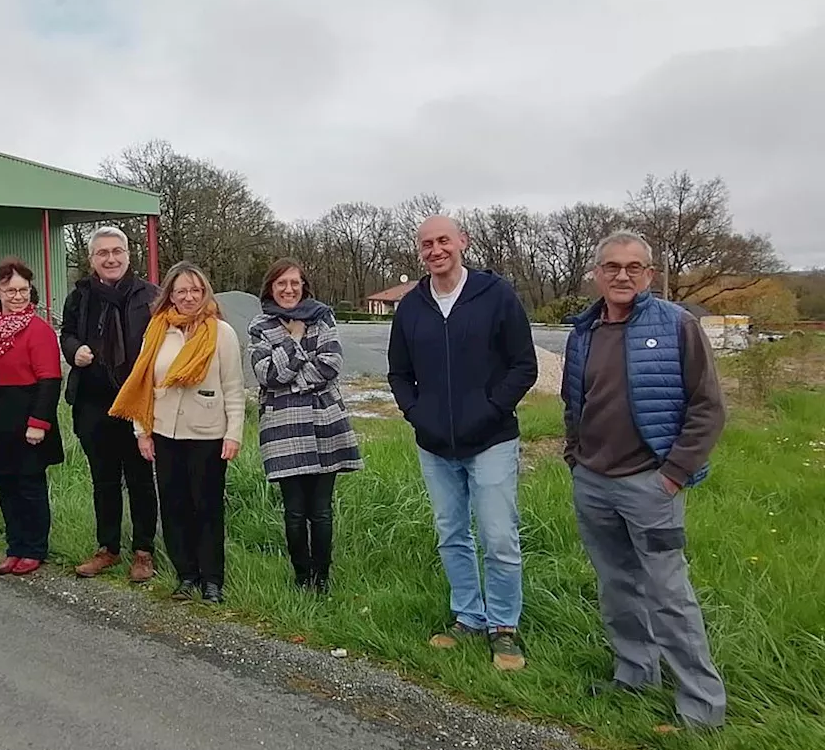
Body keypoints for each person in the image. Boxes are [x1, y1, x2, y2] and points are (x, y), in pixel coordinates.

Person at [562, 230, 727, 729]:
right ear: (596, 274)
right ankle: (634, 674)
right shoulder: (584, 332)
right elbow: (576, 402)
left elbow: (708, 408)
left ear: (650, 275)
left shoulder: (677, 326)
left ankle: (702, 707)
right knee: (617, 587)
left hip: (650, 485)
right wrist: (575, 455)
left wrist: (674, 474)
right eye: (612, 267)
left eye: (634, 268)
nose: (622, 276)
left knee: (669, 595)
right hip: (593, 482)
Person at [386, 215, 538, 671]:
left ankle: (504, 627)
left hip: (491, 440)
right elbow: (398, 373)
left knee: (497, 536)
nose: (436, 250)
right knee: (452, 534)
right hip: (434, 444)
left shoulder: (496, 296)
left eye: (443, 241)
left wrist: (490, 410)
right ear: (419, 252)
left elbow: (523, 365)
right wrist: (417, 414)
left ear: (462, 243)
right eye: (427, 244)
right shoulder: (412, 307)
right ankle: (468, 616)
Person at [109, 262, 244, 604]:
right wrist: (143, 432)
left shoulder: (221, 333)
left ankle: (212, 579)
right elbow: (143, 383)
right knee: (174, 506)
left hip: (208, 434)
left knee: (207, 508)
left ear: (205, 293)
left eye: (195, 290)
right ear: (169, 294)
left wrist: (234, 434)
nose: (188, 297)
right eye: (181, 291)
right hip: (165, 433)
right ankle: (186, 575)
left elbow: (234, 387)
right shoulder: (157, 330)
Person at [248, 258, 363, 593]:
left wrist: (290, 376)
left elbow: (331, 364)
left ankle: (322, 580)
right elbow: (265, 374)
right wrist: (294, 342)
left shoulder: (322, 316)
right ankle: (302, 578)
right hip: (283, 428)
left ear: (304, 286)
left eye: (294, 283)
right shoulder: (259, 325)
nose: (288, 289)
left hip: (323, 422)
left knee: (322, 511)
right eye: (281, 283)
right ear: (271, 287)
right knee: (295, 512)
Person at [60, 226, 161, 584]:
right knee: (103, 480)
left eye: (117, 251)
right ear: (92, 260)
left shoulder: (150, 296)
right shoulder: (79, 297)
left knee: (140, 480)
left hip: (136, 403)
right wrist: (74, 351)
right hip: (93, 402)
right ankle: (107, 548)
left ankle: (144, 551)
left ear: (128, 255)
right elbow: (66, 333)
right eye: (103, 253)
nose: (111, 258)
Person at [0, 257, 64, 577]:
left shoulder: (39, 329)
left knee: (29, 484)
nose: (18, 296)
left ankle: (35, 548)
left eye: (23, 290)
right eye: (10, 290)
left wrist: (39, 423)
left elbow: (50, 380)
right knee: (4, 483)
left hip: (26, 411)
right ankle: (14, 545)